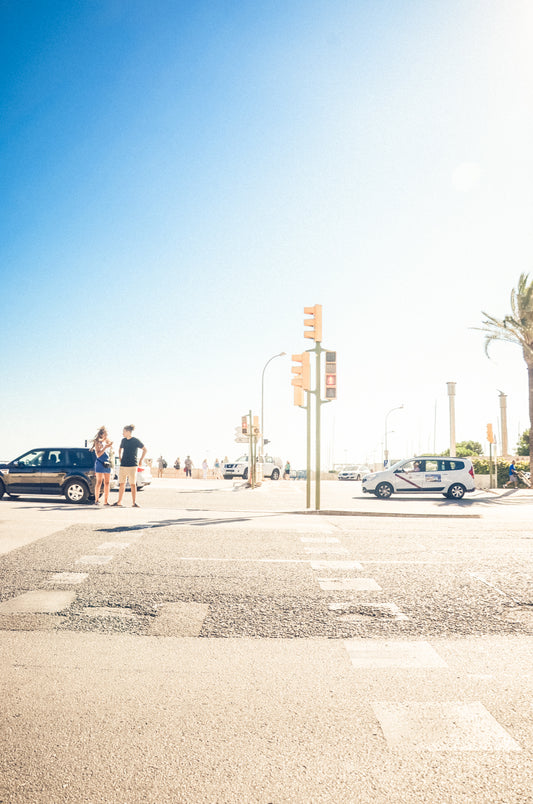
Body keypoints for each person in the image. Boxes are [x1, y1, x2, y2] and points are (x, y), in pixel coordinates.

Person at [114, 425, 147, 507]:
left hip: (132, 465)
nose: (123, 433)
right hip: (123, 465)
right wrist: (120, 457)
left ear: (128, 432)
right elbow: (120, 449)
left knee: (133, 484)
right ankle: (119, 502)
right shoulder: (123, 440)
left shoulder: (136, 440)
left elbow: (145, 449)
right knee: (122, 483)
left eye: (124, 431)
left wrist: (140, 460)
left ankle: (134, 502)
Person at [90, 425, 113, 505]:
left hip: (107, 463)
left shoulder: (107, 441)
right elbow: (98, 455)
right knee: (99, 482)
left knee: (107, 482)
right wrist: (105, 447)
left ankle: (106, 501)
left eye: (107, 434)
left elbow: (111, 452)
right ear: (101, 434)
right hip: (100, 462)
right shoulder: (97, 442)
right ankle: (96, 500)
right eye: (105, 434)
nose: (106, 436)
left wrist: (110, 448)